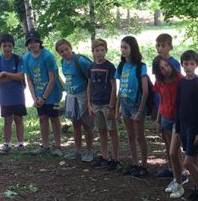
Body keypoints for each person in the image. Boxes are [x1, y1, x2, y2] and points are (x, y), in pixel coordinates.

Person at [174, 50, 198, 201]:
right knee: (194, 159)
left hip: (194, 128)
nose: (188, 67)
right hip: (183, 126)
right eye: (186, 64)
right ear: (182, 64)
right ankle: (196, 187)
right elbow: (178, 105)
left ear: (196, 65)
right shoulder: (181, 83)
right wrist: (177, 128)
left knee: (187, 162)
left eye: (191, 64)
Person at [22, 30, 64, 155]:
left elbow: (52, 79)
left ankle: (58, 146)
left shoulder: (47, 56)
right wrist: (35, 98)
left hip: (53, 94)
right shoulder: (26, 58)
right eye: (30, 42)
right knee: (42, 118)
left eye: (35, 41)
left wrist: (44, 98)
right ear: (27, 45)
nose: (33, 44)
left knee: (54, 118)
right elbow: (29, 80)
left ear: (40, 42)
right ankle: (45, 146)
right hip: (39, 95)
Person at [152, 55, 187, 198]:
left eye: (166, 65)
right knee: (171, 149)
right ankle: (177, 176)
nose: (165, 69)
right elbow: (161, 100)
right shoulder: (159, 81)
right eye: (161, 68)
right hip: (165, 117)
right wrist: (158, 119)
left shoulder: (180, 79)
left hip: (177, 119)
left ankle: (181, 179)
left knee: (175, 151)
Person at [56, 39, 94, 162]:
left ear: (71, 48)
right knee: (76, 124)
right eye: (61, 51)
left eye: (66, 49)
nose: (65, 53)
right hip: (71, 95)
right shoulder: (63, 62)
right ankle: (77, 151)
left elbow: (91, 77)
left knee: (86, 124)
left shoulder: (80, 61)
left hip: (83, 95)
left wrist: (89, 99)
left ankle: (89, 151)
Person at [115, 35, 149, 177]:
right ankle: (135, 163)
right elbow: (120, 89)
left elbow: (145, 91)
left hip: (136, 104)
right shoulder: (121, 66)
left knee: (140, 136)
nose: (123, 50)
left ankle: (144, 165)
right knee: (130, 136)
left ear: (133, 48)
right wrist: (116, 109)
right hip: (124, 104)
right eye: (121, 47)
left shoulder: (141, 66)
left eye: (125, 47)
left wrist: (140, 111)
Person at [86, 38, 120, 170]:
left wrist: (112, 106)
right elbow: (89, 86)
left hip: (107, 104)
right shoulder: (91, 67)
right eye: (97, 50)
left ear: (106, 51)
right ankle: (105, 157)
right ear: (93, 52)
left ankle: (116, 159)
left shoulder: (109, 67)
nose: (99, 53)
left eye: (102, 50)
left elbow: (114, 86)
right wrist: (89, 104)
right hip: (96, 103)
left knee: (112, 131)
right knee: (101, 130)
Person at [153, 32, 182, 179]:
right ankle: (171, 169)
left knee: (174, 146)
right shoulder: (157, 63)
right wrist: (158, 116)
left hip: (174, 112)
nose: (160, 48)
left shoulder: (173, 64)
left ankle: (180, 172)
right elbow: (159, 89)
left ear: (170, 47)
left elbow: (178, 86)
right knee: (166, 141)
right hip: (163, 109)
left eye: (163, 45)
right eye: (158, 45)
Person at [0, 34, 26, 154]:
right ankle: (7, 144)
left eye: (9, 46)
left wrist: (4, 73)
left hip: (18, 96)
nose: (7, 48)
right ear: (0, 47)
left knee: (19, 119)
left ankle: (20, 144)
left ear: (13, 46)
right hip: (5, 97)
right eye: (4, 46)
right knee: (7, 120)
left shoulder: (18, 59)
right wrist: (13, 76)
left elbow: (21, 76)